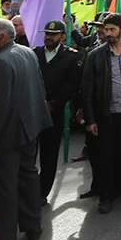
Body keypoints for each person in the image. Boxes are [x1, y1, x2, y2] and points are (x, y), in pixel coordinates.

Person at [0, 18, 51, 240]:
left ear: (2, 37)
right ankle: (33, 225)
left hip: (8, 135)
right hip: (29, 127)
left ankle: (4, 239)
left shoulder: (0, 61)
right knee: (28, 176)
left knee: (3, 187)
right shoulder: (26, 52)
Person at [80, 13, 121, 214]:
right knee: (106, 156)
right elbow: (87, 89)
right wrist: (90, 119)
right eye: (106, 30)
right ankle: (106, 195)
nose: (107, 33)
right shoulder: (96, 55)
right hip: (106, 115)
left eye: (112, 29)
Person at [34, 20, 82, 201]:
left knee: (49, 154)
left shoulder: (70, 57)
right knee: (30, 154)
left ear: (62, 36)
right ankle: (27, 191)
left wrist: (54, 104)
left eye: (53, 34)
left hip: (54, 112)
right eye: (46, 33)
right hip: (33, 110)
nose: (48, 37)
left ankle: (41, 194)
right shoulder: (34, 54)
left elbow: (72, 85)